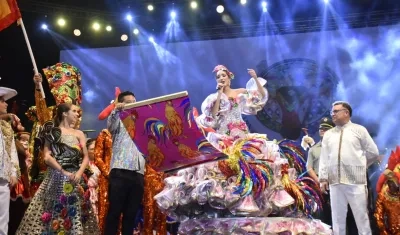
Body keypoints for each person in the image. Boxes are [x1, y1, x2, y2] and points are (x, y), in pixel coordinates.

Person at [16, 103, 100, 234]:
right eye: (74, 111)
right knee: (53, 213)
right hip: (55, 178)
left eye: (78, 112)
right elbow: (47, 157)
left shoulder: (79, 133)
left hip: (75, 179)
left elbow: (85, 157)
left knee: (75, 213)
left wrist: (79, 173)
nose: (78, 114)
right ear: (64, 113)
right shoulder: (52, 132)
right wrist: (63, 171)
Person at [319, 101, 379, 235]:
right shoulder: (329, 134)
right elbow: (324, 158)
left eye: (336, 111)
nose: (332, 114)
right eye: (332, 112)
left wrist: (360, 165)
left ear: (346, 113)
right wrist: (323, 178)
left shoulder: (359, 130)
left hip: (355, 181)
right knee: (337, 220)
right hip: (335, 182)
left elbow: (373, 152)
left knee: (361, 218)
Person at [105, 91, 145, 235]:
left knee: (131, 215)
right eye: (128, 102)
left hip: (138, 175)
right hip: (120, 172)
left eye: (134, 101)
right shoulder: (118, 121)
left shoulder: (142, 124)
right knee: (114, 213)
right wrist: (116, 109)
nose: (133, 104)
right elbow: (110, 125)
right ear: (121, 103)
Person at [0, 87, 19, 235]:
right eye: (2, 101)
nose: (6, 104)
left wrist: (13, 172)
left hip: (3, 177)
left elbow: (12, 151)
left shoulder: (6, 127)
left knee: (3, 219)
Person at [374, 169, 400, 235]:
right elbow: (378, 215)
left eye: (393, 182)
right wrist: (383, 230)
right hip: (391, 230)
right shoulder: (383, 197)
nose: (391, 185)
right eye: (389, 182)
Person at [86, 138, 100, 223]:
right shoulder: (83, 164)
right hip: (86, 194)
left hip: (98, 195)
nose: (94, 151)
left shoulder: (100, 164)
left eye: (96, 148)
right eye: (92, 149)